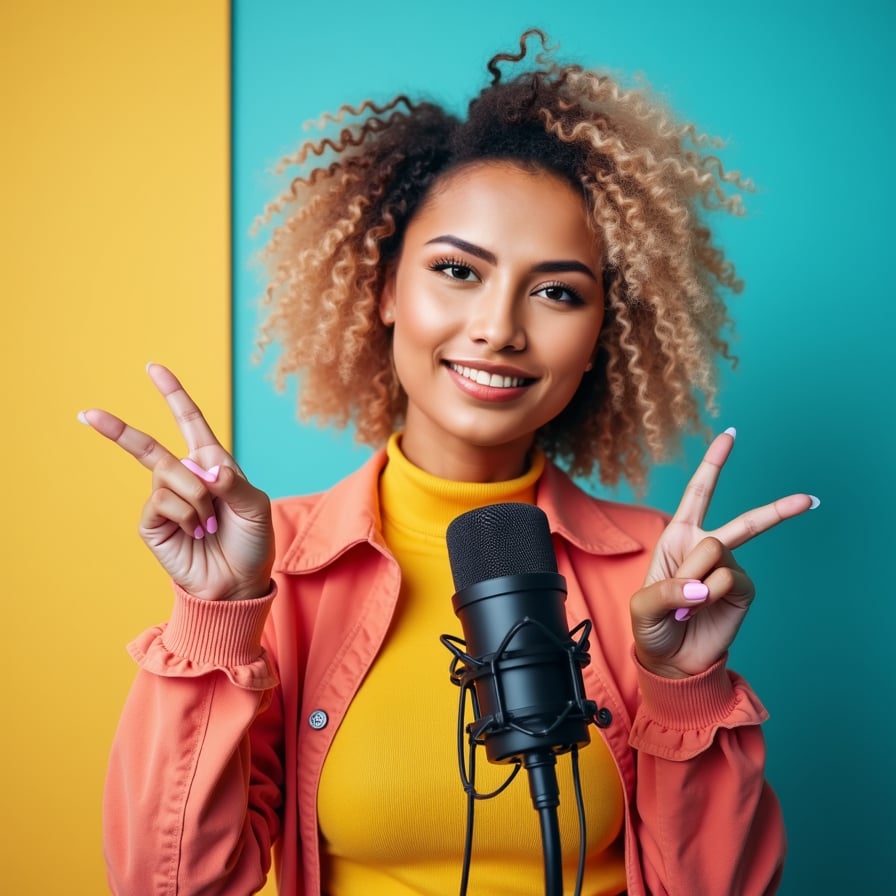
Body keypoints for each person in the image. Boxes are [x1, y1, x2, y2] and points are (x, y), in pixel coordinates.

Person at [83, 30, 817, 896]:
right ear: (387, 289)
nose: (499, 326)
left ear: (600, 339)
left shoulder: (661, 579)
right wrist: (213, 614)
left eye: (556, 291)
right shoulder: (273, 567)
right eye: (458, 271)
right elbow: (166, 887)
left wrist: (685, 686)